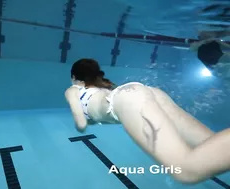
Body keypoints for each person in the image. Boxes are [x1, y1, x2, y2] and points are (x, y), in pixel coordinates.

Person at [65, 58, 230, 184]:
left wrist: (82, 124)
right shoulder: (102, 87)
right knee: (210, 144)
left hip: (128, 98)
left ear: (74, 77)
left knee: (185, 171)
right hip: (148, 92)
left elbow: (81, 123)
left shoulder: (73, 90)